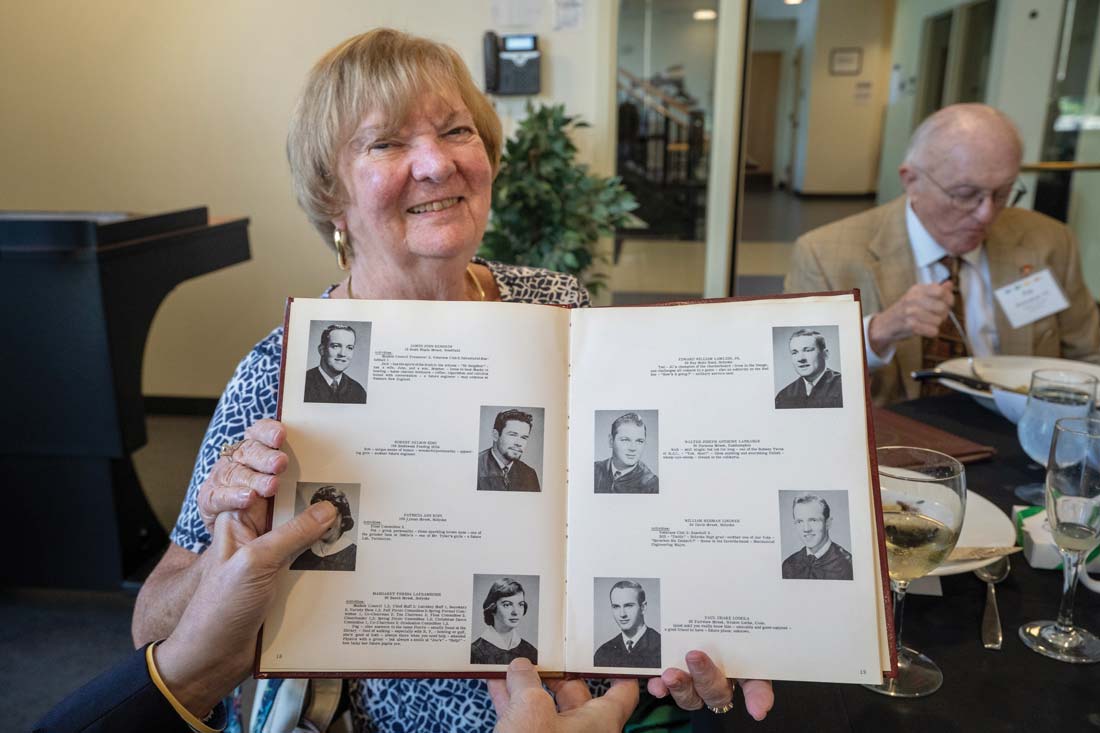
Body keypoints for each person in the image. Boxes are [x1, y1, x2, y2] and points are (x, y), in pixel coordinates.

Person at [132, 29, 770, 731]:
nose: (436, 163)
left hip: (591, 702)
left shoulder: (556, 305)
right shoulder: (281, 372)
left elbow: (627, 510)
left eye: (456, 130)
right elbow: (150, 627)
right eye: (386, 143)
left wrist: (714, 612)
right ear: (330, 195)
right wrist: (229, 541)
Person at [34, 504, 637, 733]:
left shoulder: (560, 297)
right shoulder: (275, 359)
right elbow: (152, 625)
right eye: (504, 605)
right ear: (335, 215)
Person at [785, 103, 1100, 405]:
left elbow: (1088, 358)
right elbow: (800, 389)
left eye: (1002, 193)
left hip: (1019, 432)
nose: (986, 214)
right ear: (911, 181)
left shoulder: (1049, 241)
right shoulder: (825, 254)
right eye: (966, 195)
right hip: (900, 441)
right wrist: (878, 331)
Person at [781, 494, 853, 581]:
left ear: (828, 523)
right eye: (800, 521)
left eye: (813, 520)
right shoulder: (788, 565)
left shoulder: (848, 565)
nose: (806, 529)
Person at [594, 581, 662, 668]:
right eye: (616, 606)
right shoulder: (603, 652)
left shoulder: (661, 647)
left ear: (643, 607)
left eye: (628, 606)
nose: (622, 614)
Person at [470, 578, 539, 664]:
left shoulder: (531, 651)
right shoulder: (474, 652)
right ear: (492, 608)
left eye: (520, 605)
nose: (515, 612)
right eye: (507, 605)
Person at [288, 485, 357, 571]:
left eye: (331, 516)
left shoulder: (355, 556)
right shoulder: (302, 560)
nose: (323, 522)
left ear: (343, 521)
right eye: (318, 515)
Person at [774, 328, 842, 409]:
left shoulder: (843, 386)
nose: (800, 359)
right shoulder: (783, 396)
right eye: (795, 352)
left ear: (825, 354)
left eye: (808, 350)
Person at [594, 412, 659, 494]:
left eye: (639, 441)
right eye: (625, 440)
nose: (633, 448)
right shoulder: (594, 470)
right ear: (611, 441)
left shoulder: (651, 484)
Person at [477, 409, 541, 492]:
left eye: (524, 437)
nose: (519, 443)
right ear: (495, 435)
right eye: (513, 435)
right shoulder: (476, 466)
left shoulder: (529, 474)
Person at [303, 324, 368, 403]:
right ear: (322, 350)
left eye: (349, 348)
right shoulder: (303, 383)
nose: (343, 354)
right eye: (336, 346)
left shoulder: (358, 392)